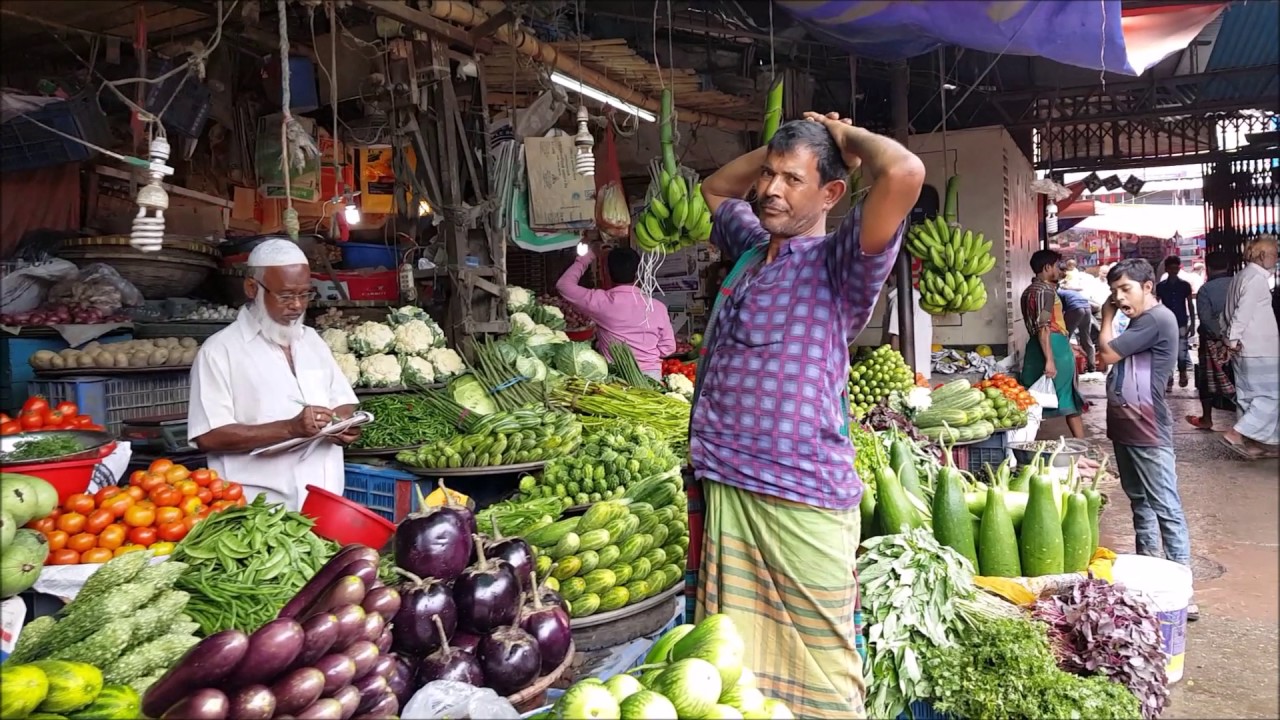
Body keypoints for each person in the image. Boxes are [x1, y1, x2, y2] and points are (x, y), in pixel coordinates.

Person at [691, 113, 924, 718]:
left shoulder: (840, 263)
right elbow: (715, 189)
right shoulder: (750, 250)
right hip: (730, 482)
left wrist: (845, 140)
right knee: (736, 666)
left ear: (831, 194)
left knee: (822, 670)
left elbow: (903, 171)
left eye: (793, 180)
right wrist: (775, 148)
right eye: (769, 175)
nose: (770, 189)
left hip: (801, 495)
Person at [188, 239, 360, 510]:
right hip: (258, 511)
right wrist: (290, 428)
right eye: (285, 295)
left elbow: (341, 399)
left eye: (305, 295)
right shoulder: (219, 351)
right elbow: (208, 436)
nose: (297, 306)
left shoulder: (312, 341)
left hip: (325, 504)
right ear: (251, 288)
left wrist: (342, 423)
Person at [1097, 258, 1197, 620]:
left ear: (1148, 286)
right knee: (1140, 504)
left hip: (1147, 427)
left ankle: (1182, 589)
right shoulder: (1141, 320)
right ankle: (1152, 577)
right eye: (1114, 291)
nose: (1119, 297)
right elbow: (1104, 358)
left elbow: (1106, 353)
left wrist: (1106, 317)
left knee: (1165, 507)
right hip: (1127, 425)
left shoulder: (1157, 319)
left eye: (1125, 289)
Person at [556, 243, 675, 379]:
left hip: (616, 379)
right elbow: (669, 348)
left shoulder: (601, 302)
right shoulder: (657, 307)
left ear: (606, 272)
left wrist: (588, 256)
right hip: (651, 377)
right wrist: (646, 357)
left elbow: (563, 285)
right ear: (639, 273)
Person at [1221, 235, 1280, 459]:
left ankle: (1254, 443)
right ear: (1263, 255)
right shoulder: (1255, 279)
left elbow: (1228, 312)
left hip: (1245, 349)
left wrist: (1230, 340)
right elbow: (1242, 312)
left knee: (1249, 396)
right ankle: (1237, 433)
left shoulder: (1241, 276)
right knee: (1272, 396)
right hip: (1260, 349)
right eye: (1274, 254)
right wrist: (1233, 339)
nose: (1276, 259)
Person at [1018, 250, 1086, 439]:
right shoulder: (1046, 292)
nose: (1059, 270)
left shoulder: (1028, 292)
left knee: (1031, 398)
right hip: (1052, 346)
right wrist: (1050, 359)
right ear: (1047, 268)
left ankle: (1024, 442)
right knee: (1068, 396)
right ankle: (1081, 444)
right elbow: (1044, 327)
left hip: (1036, 345)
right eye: (1057, 266)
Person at [1186, 252, 1236, 430]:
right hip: (1239, 340)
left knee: (1206, 380)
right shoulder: (1237, 284)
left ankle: (1207, 418)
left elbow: (1206, 320)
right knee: (1240, 379)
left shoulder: (1206, 290)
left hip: (1213, 342)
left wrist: (1221, 337)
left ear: (1208, 267)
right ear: (1228, 265)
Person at [883, 272, 933, 381]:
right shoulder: (918, 297)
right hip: (921, 370)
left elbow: (895, 338)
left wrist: (888, 368)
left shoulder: (899, 300)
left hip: (906, 373)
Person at [1155, 256, 1195, 389]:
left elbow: (1190, 305)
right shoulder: (1161, 287)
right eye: (1171, 268)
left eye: (1176, 268)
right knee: (1170, 349)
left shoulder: (1184, 285)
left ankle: (1180, 373)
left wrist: (1193, 324)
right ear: (1166, 269)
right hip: (1169, 322)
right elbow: (1156, 305)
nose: (1174, 270)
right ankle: (1171, 376)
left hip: (1180, 321)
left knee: (1180, 350)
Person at [1059, 286, 1097, 373]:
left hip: (1075, 308)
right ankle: (1092, 366)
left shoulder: (1058, 294)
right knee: (1086, 337)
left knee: (1065, 336)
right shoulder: (1070, 292)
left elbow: (1059, 311)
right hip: (1087, 308)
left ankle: (1064, 364)